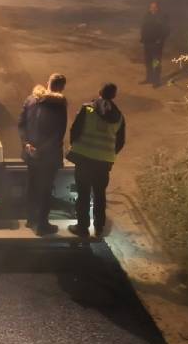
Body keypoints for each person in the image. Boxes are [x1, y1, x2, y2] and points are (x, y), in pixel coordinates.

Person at [66, 83, 126, 239]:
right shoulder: (119, 116)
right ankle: (99, 228)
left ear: (99, 92)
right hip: (103, 162)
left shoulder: (88, 109)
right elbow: (120, 141)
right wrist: (108, 154)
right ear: (114, 96)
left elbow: (75, 129)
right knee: (100, 194)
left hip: (84, 158)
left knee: (83, 193)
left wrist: (76, 146)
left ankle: (82, 228)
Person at [18, 73, 69, 236]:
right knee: (45, 189)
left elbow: (21, 124)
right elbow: (58, 133)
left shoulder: (30, 99)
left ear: (48, 83)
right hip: (48, 156)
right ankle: (41, 225)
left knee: (32, 186)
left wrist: (27, 144)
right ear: (61, 87)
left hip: (30, 153)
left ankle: (30, 219)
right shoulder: (59, 105)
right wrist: (41, 150)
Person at [141, 1, 170, 87]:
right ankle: (149, 78)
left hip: (157, 44)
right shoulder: (147, 16)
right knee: (148, 62)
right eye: (151, 7)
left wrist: (160, 40)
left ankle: (156, 81)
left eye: (155, 7)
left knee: (156, 62)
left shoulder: (162, 17)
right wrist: (142, 38)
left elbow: (166, 30)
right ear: (149, 8)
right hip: (147, 42)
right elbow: (143, 27)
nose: (153, 8)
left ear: (158, 8)